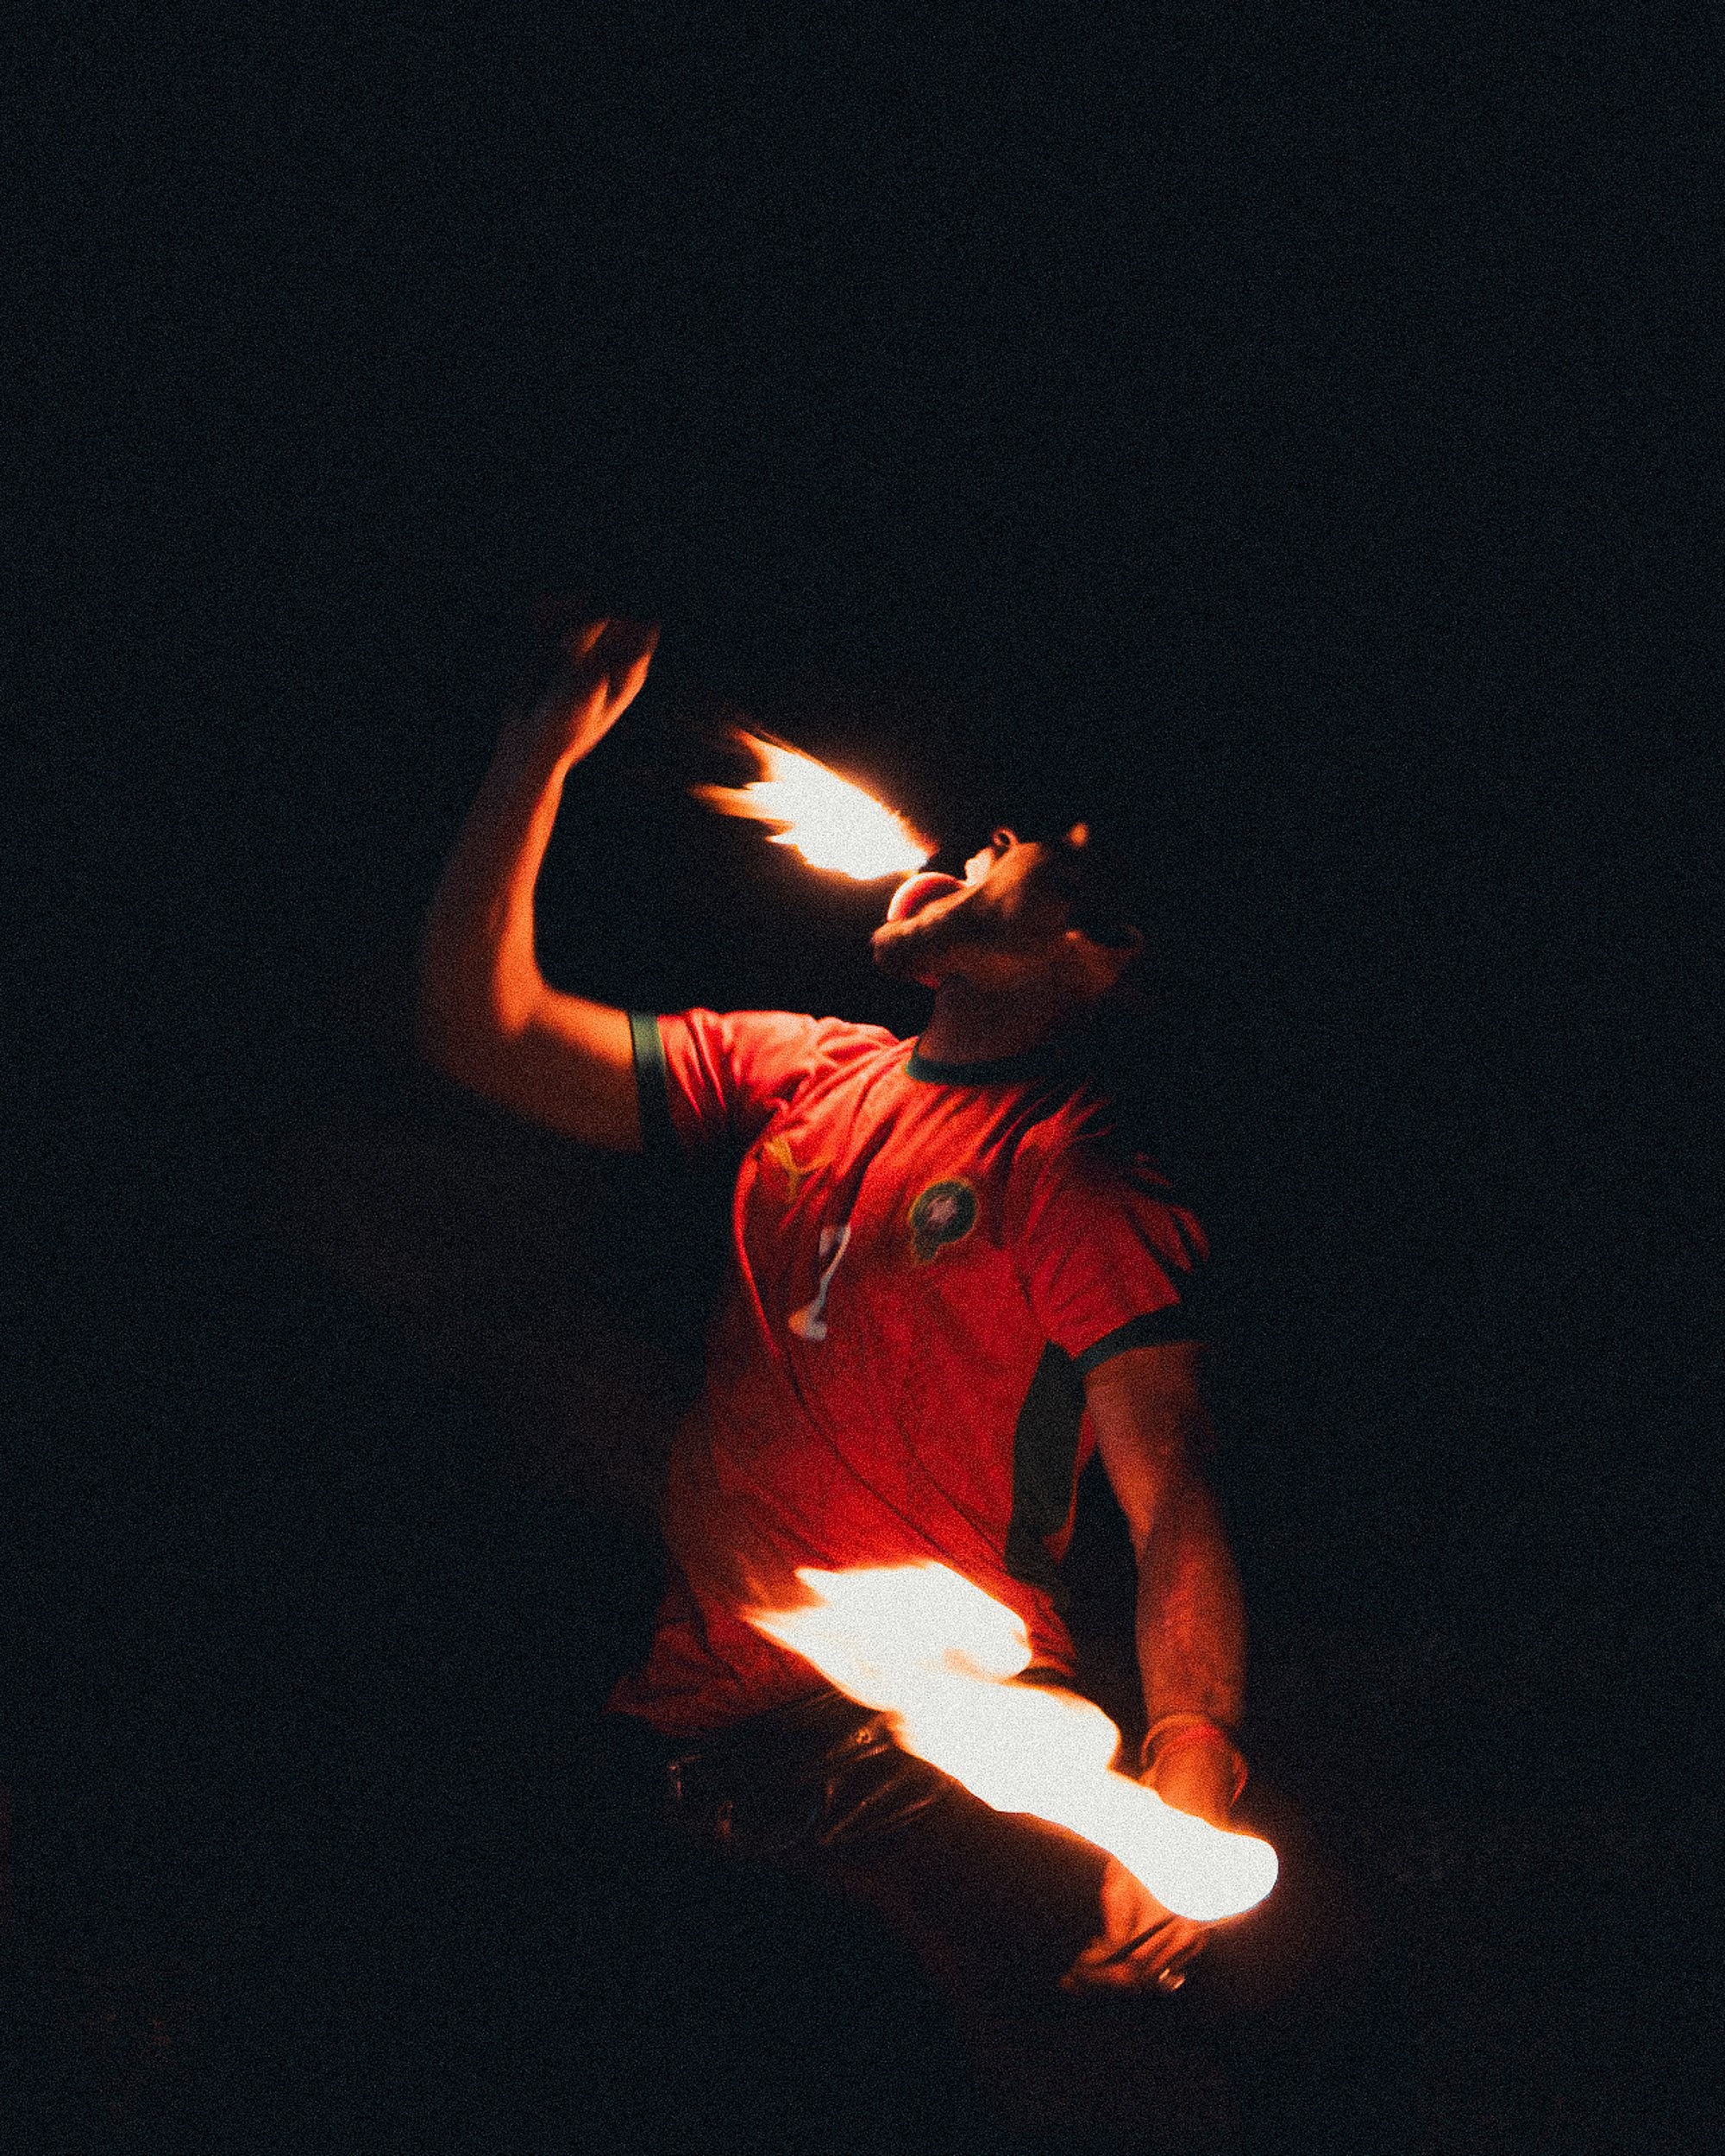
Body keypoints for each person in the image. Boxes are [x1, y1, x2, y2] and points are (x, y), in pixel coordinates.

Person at [417, 611, 1268, 2128]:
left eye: (1030, 848)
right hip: (690, 1731)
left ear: (1099, 945)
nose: (984, 836)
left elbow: (1177, 1490)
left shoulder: (1081, 1179)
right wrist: (529, 760)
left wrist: (1188, 1763)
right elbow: (485, 1034)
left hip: (922, 1758)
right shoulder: (794, 1070)